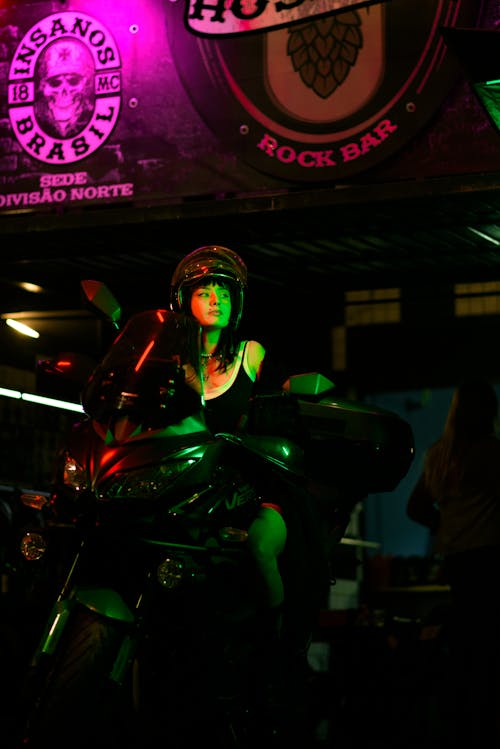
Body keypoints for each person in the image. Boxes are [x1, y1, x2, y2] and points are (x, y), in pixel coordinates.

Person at [170, 244, 330, 737]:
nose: (215, 298)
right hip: (185, 491)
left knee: (261, 546)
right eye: (204, 290)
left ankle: (280, 647)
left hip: (250, 485)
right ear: (185, 300)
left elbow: (274, 414)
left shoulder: (249, 354)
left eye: (222, 291)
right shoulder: (169, 362)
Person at [406, 378, 500, 744]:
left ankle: (458, 727)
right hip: (490, 560)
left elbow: (415, 507)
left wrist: (445, 526)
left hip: (457, 562)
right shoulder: (493, 453)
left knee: (465, 650)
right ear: (490, 411)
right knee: (488, 652)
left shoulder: (438, 454)